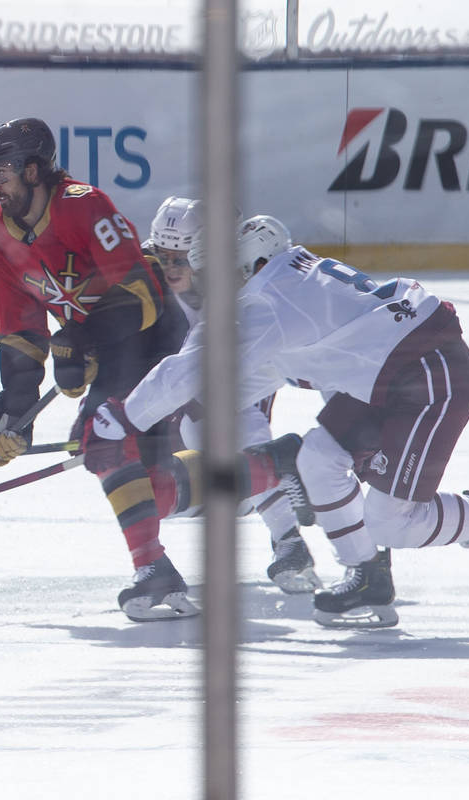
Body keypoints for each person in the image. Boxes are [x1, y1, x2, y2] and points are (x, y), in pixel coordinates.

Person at [84, 213, 469, 628]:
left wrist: (122, 419)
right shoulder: (288, 280)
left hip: (427, 373)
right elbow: (262, 370)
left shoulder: (266, 305)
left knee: (391, 522)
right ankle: (367, 576)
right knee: (318, 459)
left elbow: (191, 368)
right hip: (384, 372)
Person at [0, 117, 197, 623]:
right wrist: (15, 412)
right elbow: (20, 332)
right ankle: (272, 470)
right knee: (152, 484)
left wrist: (82, 342)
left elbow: (142, 295)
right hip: (103, 347)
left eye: (2, 171)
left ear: (34, 170)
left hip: (155, 338)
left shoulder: (82, 204)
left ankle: (153, 567)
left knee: (102, 440)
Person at [141, 196, 319, 593]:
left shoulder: (243, 282)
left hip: (248, 380)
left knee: (215, 421)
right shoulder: (145, 277)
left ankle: (288, 537)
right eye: (161, 256)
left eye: (180, 259)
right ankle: (276, 493)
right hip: (192, 389)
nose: (170, 269)